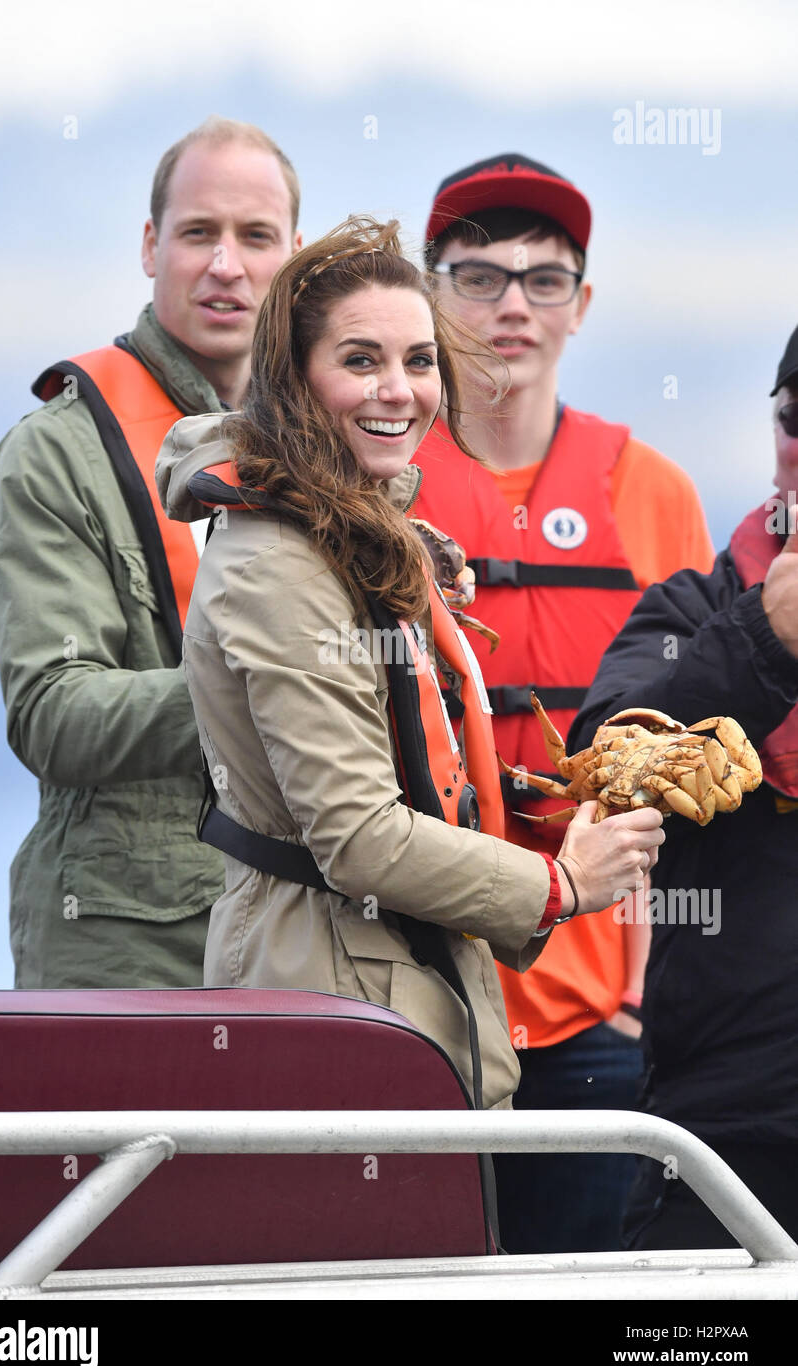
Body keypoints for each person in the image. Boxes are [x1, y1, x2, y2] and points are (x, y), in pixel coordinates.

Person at [155, 216, 665, 1123]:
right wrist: (563, 886)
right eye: (360, 361)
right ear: (293, 379)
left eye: (419, 361)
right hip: (331, 1009)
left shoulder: (355, 534)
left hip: (395, 991)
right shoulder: (277, 564)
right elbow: (355, 835)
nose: (399, 391)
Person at [411, 152, 715, 1252]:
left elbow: (694, 765)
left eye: (543, 280)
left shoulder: (652, 494)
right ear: (428, 290)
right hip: (420, 1006)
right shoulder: (371, 491)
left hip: (595, 1015)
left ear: (580, 305)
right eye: (476, 275)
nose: (509, 305)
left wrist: (644, 998)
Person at [0, 117, 302, 988]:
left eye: (255, 236)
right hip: (129, 946)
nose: (226, 263)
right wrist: (269, 689)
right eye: (199, 233)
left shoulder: (331, 452)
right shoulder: (51, 457)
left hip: (306, 930)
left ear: (295, 257)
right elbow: (52, 713)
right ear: (151, 247)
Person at [569, 325, 798, 1245]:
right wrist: (761, 640)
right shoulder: (695, 610)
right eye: (796, 419)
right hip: (731, 1121)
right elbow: (601, 763)